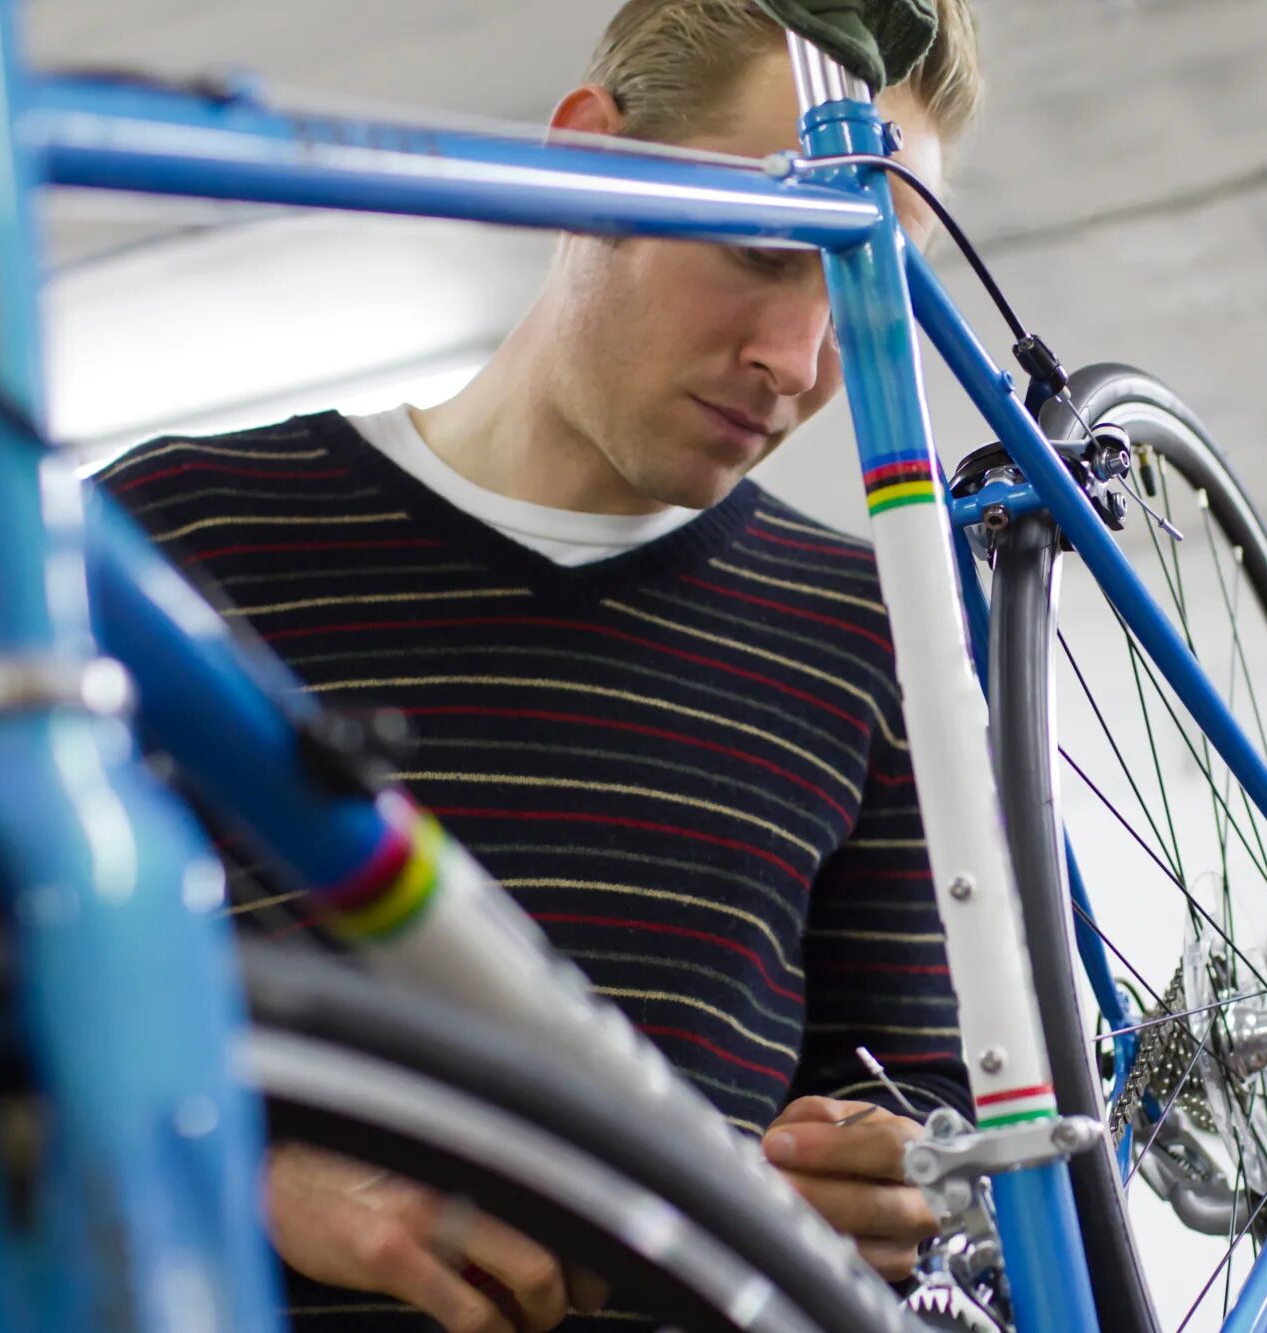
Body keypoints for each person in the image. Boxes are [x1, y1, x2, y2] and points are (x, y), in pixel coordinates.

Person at [98, 2, 982, 1329]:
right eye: (760, 244)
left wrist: (901, 1186)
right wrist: (253, 1161)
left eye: (863, 287)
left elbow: (936, 1114)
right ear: (590, 161)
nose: (796, 364)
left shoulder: (870, 633)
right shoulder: (174, 536)